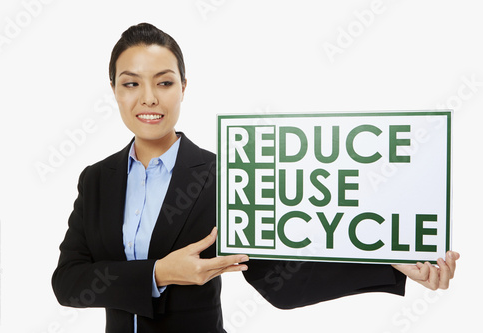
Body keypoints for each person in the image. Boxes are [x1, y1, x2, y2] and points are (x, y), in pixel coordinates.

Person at [51, 23, 459, 333]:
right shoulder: (95, 180)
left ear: (183, 87)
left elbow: (284, 281)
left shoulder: (222, 175)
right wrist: (160, 273)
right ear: (114, 90)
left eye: (164, 82)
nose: (149, 98)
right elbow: (68, 282)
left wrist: (388, 261)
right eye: (131, 84)